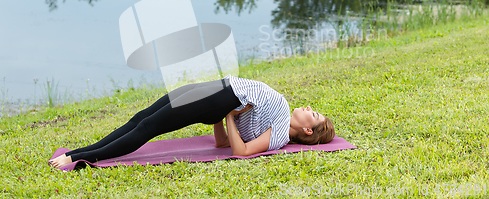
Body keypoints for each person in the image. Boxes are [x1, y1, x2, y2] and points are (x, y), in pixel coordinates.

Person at [49, 75, 335, 169]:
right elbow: (223, 141)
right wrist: (226, 118)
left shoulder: (281, 134)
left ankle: (75, 158)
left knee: (147, 128)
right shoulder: (275, 120)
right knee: (141, 118)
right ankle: (81, 150)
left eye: (314, 114)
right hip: (219, 89)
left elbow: (241, 151)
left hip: (219, 99)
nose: (309, 108)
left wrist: (229, 113)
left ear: (308, 130)